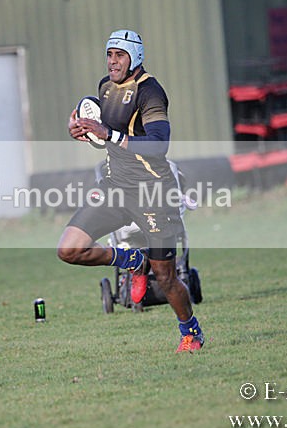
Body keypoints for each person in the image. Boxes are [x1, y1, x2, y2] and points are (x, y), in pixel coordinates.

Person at [57, 29, 205, 353]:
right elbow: (101, 132)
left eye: (119, 55)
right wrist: (80, 130)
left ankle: (190, 331)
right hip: (114, 186)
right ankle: (132, 260)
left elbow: (158, 144)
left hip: (153, 191)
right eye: (109, 55)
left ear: (135, 57)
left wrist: (107, 133)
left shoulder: (150, 92)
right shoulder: (105, 87)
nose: (112, 62)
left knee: (165, 277)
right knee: (69, 250)